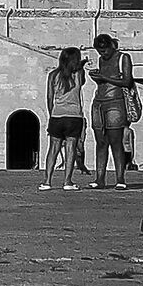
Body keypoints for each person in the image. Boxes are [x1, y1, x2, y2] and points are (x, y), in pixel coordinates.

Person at [88, 34, 137, 188]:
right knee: (101, 142)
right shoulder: (102, 60)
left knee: (116, 141)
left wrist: (104, 77)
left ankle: (120, 178)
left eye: (105, 50)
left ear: (111, 46)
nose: (103, 54)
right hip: (100, 101)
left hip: (115, 101)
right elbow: (105, 78)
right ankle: (100, 178)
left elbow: (127, 81)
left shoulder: (123, 58)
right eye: (100, 51)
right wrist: (98, 78)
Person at [40, 46, 86, 192]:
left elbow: (49, 96)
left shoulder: (53, 75)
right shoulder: (78, 74)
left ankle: (47, 181)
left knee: (53, 148)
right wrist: (82, 64)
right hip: (74, 116)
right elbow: (82, 80)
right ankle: (67, 181)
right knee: (71, 148)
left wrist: (51, 113)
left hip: (57, 115)